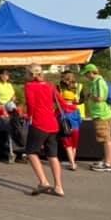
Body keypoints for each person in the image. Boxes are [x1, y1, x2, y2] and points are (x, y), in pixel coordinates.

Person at [23, 64, 65, 196]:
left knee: (31, 152)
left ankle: (43, 182)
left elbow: (31, 104)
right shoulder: (50, 86)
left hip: (39, 123)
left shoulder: (29, 86)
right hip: (52, 123)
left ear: (30, 74)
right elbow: (61, 101)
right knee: (53, 155)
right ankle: (58, 186)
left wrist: (28, 116)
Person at [81, 63, 111, 172]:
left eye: (87, 74)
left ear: (92, 72)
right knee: (105, 138)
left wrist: (90, 96)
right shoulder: (95, 82)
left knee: (106, 138)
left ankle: (108, 163)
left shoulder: (99, 82)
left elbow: (100, 98)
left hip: (101, 114)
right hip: (101, 113)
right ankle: (107, 159)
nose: (86, 76)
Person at [58, 72, 84, 171]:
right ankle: (72, 161)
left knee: (68, 145)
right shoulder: (76, 109)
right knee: (74, 145)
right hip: (76, 127)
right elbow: (80, 120)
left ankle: (72, 163)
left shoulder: (62, 109)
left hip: (66, 126)